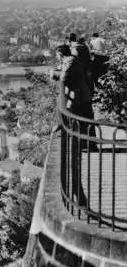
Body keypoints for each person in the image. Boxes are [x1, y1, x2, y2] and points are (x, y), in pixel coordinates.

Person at [51, 44, 96, 207]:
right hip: (77, 95)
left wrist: (53, 73)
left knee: (83, 120)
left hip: (79, 96)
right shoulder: (69, 60)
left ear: (60, 53)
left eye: (57, 54)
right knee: (84, 120)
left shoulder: (70, 61)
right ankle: (88, 144)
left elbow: (63, 77)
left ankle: (86, 144)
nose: (56, 57)